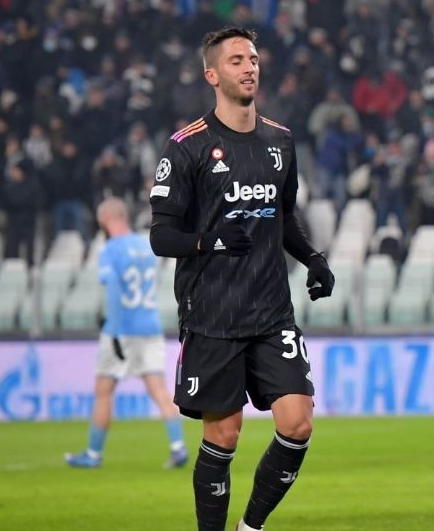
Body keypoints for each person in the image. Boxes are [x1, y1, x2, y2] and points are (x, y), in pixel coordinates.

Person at [149, 27, 335, 531]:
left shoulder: (280, 140)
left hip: (272, 311)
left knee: (298, 424)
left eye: (252, 58)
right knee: (224, 436)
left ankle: (250, 527)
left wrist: (313, 258)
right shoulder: (186, 147)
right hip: (213, 313)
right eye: (236, 60)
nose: (249, 67)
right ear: (212, 75)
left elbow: (284, 216)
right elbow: (162, 236)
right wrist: (210, 241)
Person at [64, 197, 188, 470]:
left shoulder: (110, 249)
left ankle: (93, 453)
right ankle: (178, 446)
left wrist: (114, 330)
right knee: (159, 390)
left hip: (121, 329)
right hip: (150, 325)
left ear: (106, 218)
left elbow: (114, 292)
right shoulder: (145, 246)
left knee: (103, 391)